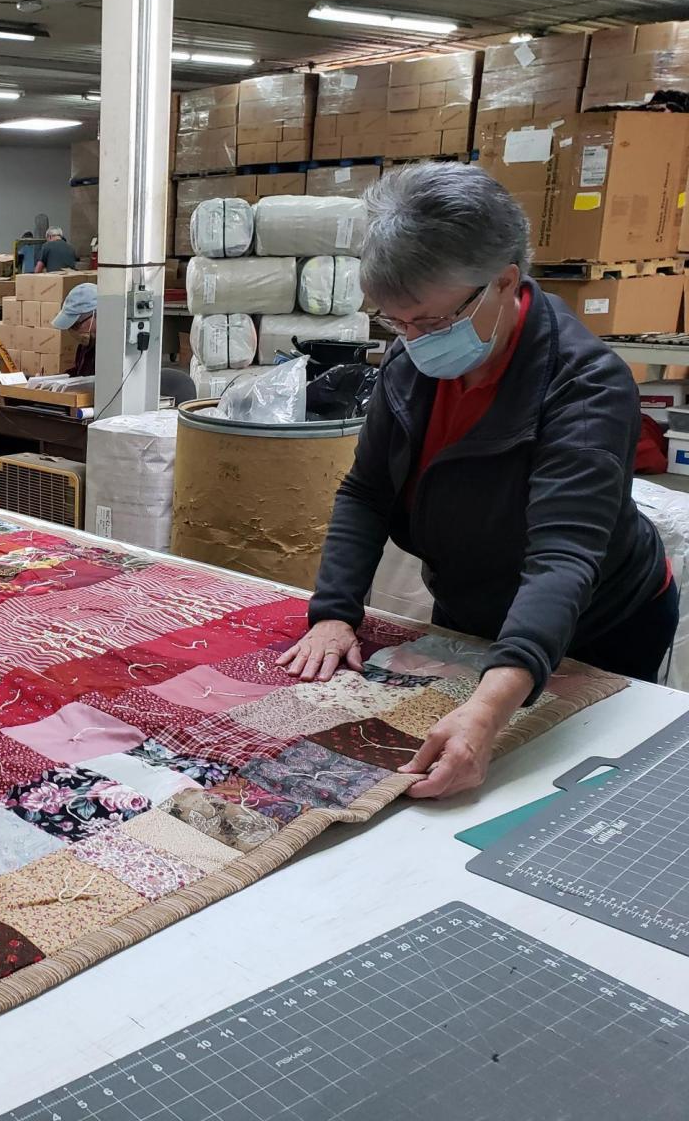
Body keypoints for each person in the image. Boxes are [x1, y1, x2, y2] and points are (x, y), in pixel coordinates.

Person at [278, 163, 672, 801]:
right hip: (473, 602)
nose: (411, 341)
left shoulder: (586, 385)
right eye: (394, 323)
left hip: (596, 623)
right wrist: (333, 613)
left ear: (505, 283)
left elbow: (563, 560)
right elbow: (367, 492)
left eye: (430, 324)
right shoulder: (412, 361)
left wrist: (487, 714)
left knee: (568, 800)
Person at [50, 282, 97, 376]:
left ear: (95, 314)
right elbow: (80, 374)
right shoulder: (86, 346)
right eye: (70, 327)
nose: (73, 331)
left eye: (76, 325)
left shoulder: (116, 350)